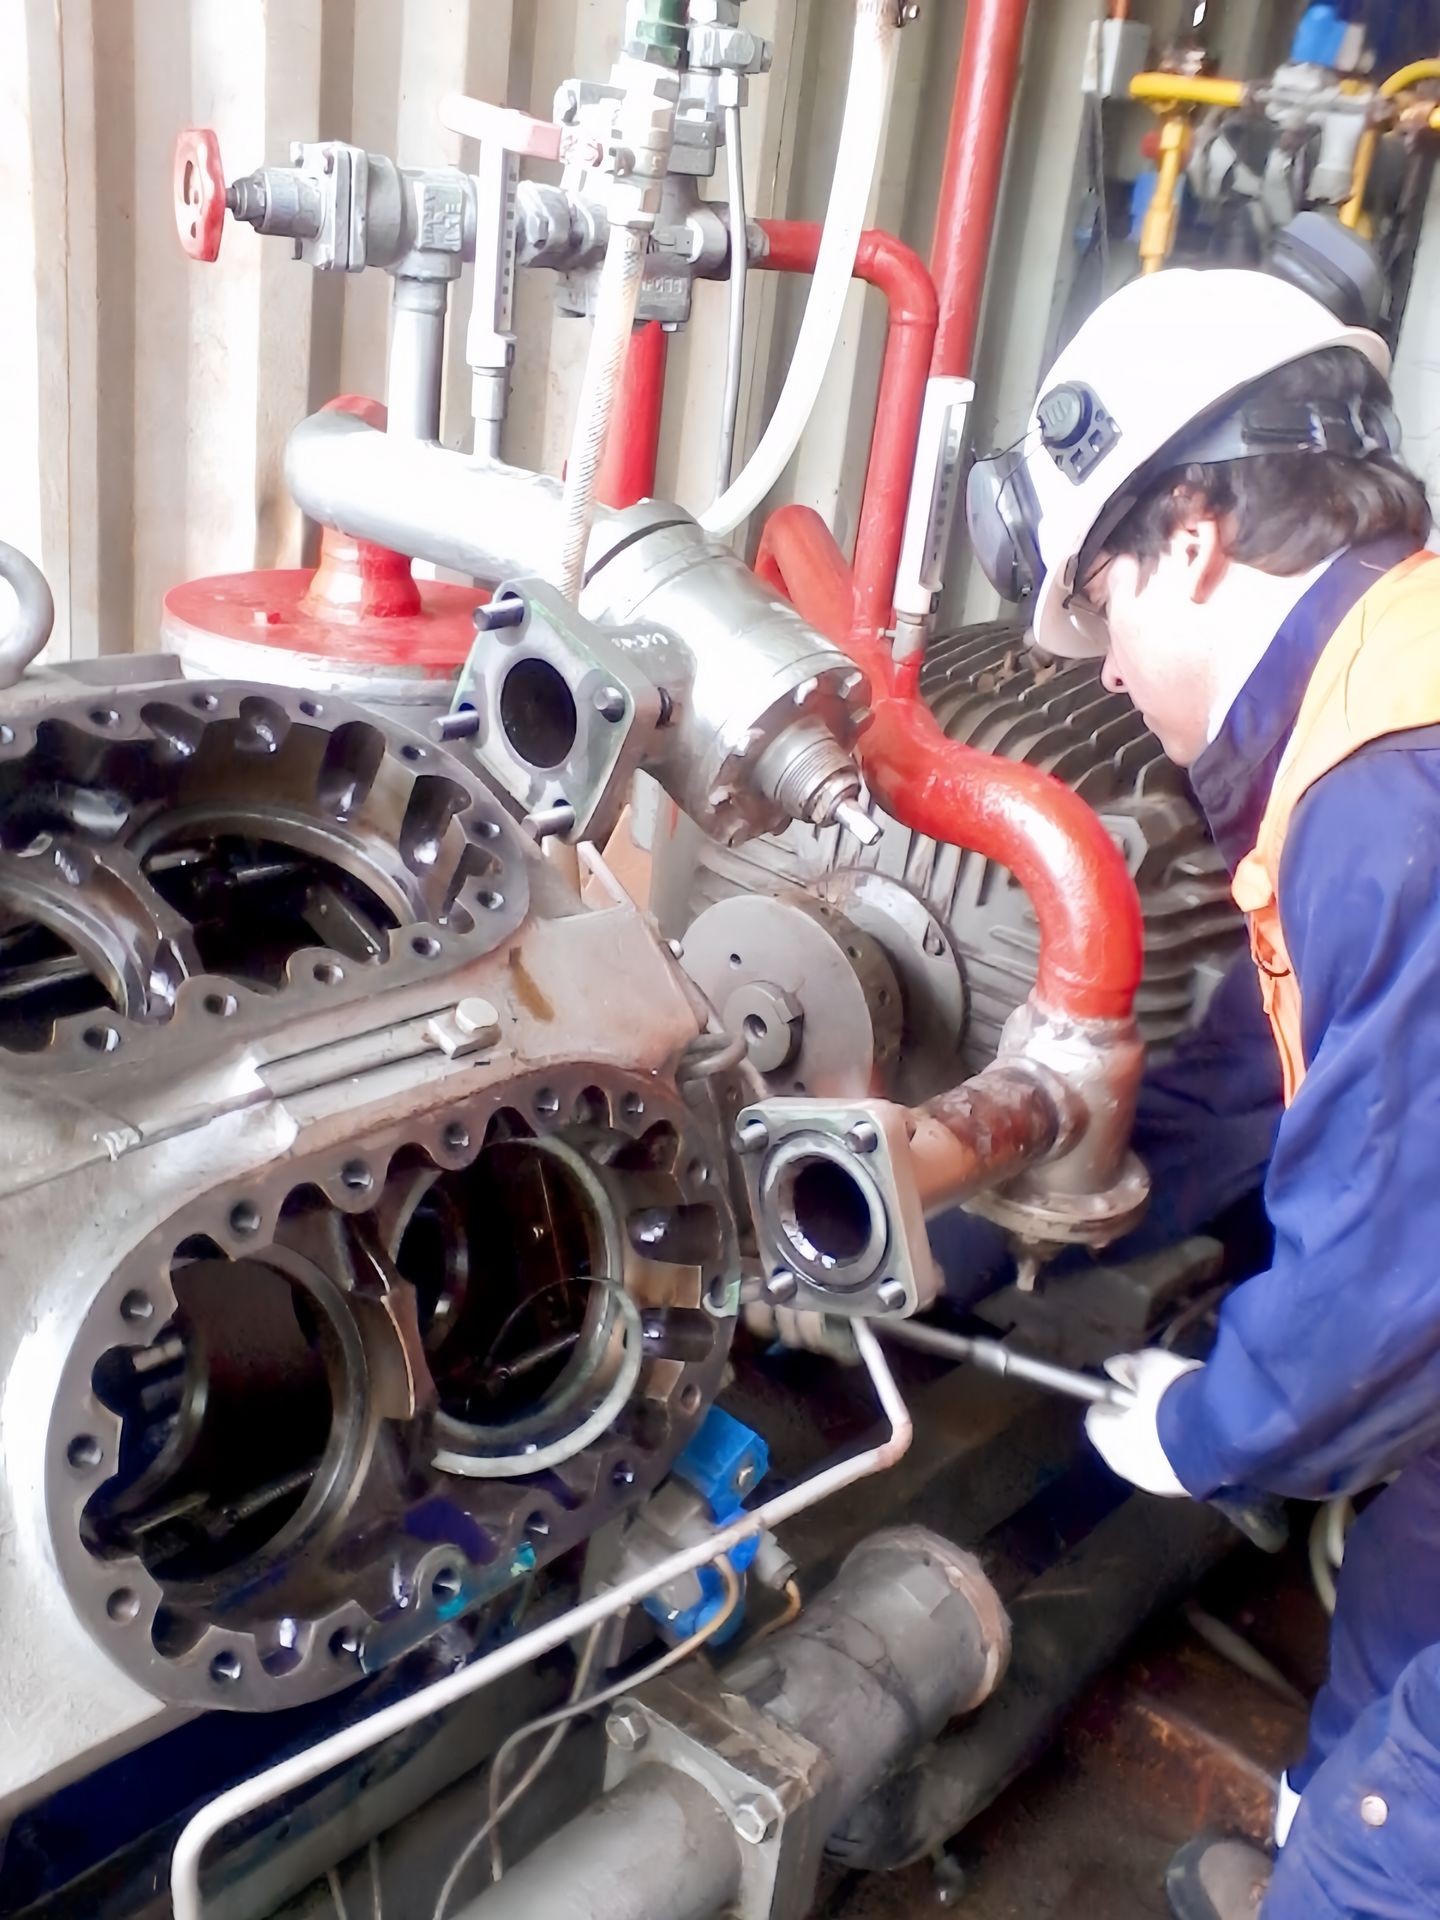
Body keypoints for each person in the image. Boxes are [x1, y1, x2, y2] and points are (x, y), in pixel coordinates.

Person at [966, 263, 1440, 1920]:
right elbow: (1258, 1058)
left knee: (1402, 1854)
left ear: (1190, 536)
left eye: (1097, 608)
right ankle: (1333, 1820)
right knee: (1410, 1556)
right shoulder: (1383, 682)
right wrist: (991, 1220)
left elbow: (1383, 1299)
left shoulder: (1395, 800)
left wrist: (1207, 1420)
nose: (1097, 670)